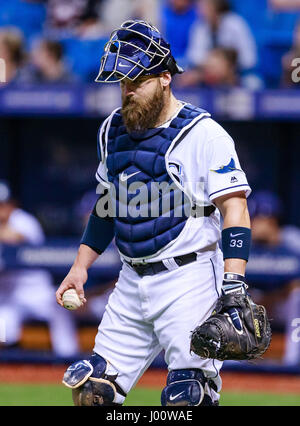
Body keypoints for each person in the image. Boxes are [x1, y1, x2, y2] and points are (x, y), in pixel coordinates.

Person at [56, 20, 260, 406]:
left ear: (165, 77)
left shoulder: (204, 133)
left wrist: (235, 284)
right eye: (122, 82)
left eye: (137, 80)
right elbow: (107, 205)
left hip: (190, 278)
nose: (128, 90)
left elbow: (235, 208)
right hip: (131, 280)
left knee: (187, 398)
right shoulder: (111, 130)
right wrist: (80, 266)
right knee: (92, 394)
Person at [0, 181, 79, 357]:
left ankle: (67, 358)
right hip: (9, 298)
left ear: (11, 204)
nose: (1, 210)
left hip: (37, 292)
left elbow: (15, 237)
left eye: (2, 205)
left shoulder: (22, 220)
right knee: (2, 328)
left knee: (59, 307)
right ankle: (12, 372)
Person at [247, 191, 300, 366]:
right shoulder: (239, 241)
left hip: (280, 303)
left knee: (298, 297)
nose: (262, 224)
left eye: (268, 219)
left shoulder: (292, 240)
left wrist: (276, 246)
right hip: (251, 303)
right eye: (258, 218)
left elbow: (295, 283)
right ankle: (231, 361)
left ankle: (293, 361)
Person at [186, 0, 259, 88]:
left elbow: (249, 58)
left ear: (215, 7)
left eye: (204, 7)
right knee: (187, 79)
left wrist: (227, 64)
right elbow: (194, 57)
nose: (199, 11)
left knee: (253, 83)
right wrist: (213, 63)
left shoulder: (236, 24)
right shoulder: (199, 26)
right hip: (207, 72)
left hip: (237, 72)